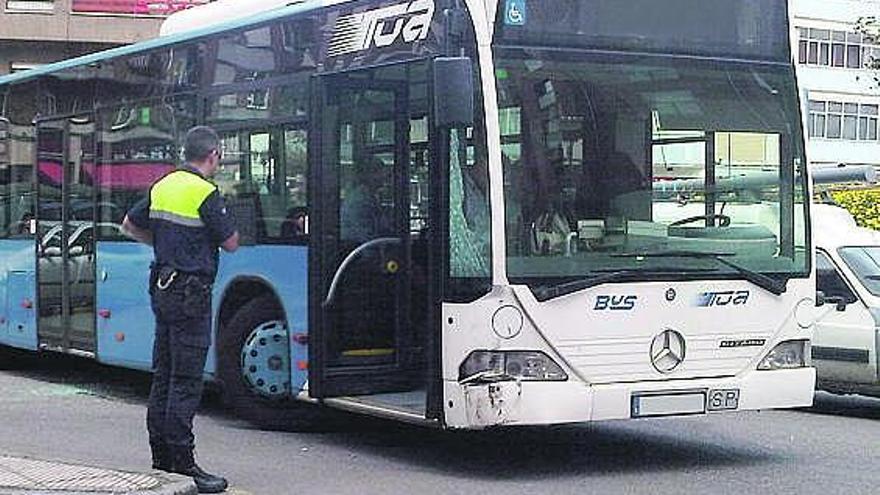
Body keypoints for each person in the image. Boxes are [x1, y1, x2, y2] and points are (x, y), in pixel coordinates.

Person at [122, 126, 239, 494]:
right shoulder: (206, 192)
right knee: (186, 380)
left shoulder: (164, 184)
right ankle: (185, 464)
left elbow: (129, 225)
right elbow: (231, 243)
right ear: (213, 155)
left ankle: (161, 459)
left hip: (163, 286)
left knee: (164, 375)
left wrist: (165, 245)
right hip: (191, 293)